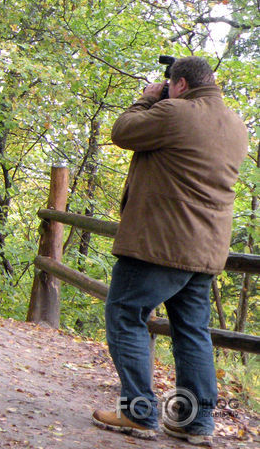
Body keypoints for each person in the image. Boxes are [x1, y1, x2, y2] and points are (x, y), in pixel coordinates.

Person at [92, 56, 248, 446]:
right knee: (191, 331)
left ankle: (138, 412)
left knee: (125, 313)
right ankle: (195, 423)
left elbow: (123, 131)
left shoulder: (175, 112)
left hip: (159, 244)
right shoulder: (236, 124)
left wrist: (146, 99)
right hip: (207, 249)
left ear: (179, 84)